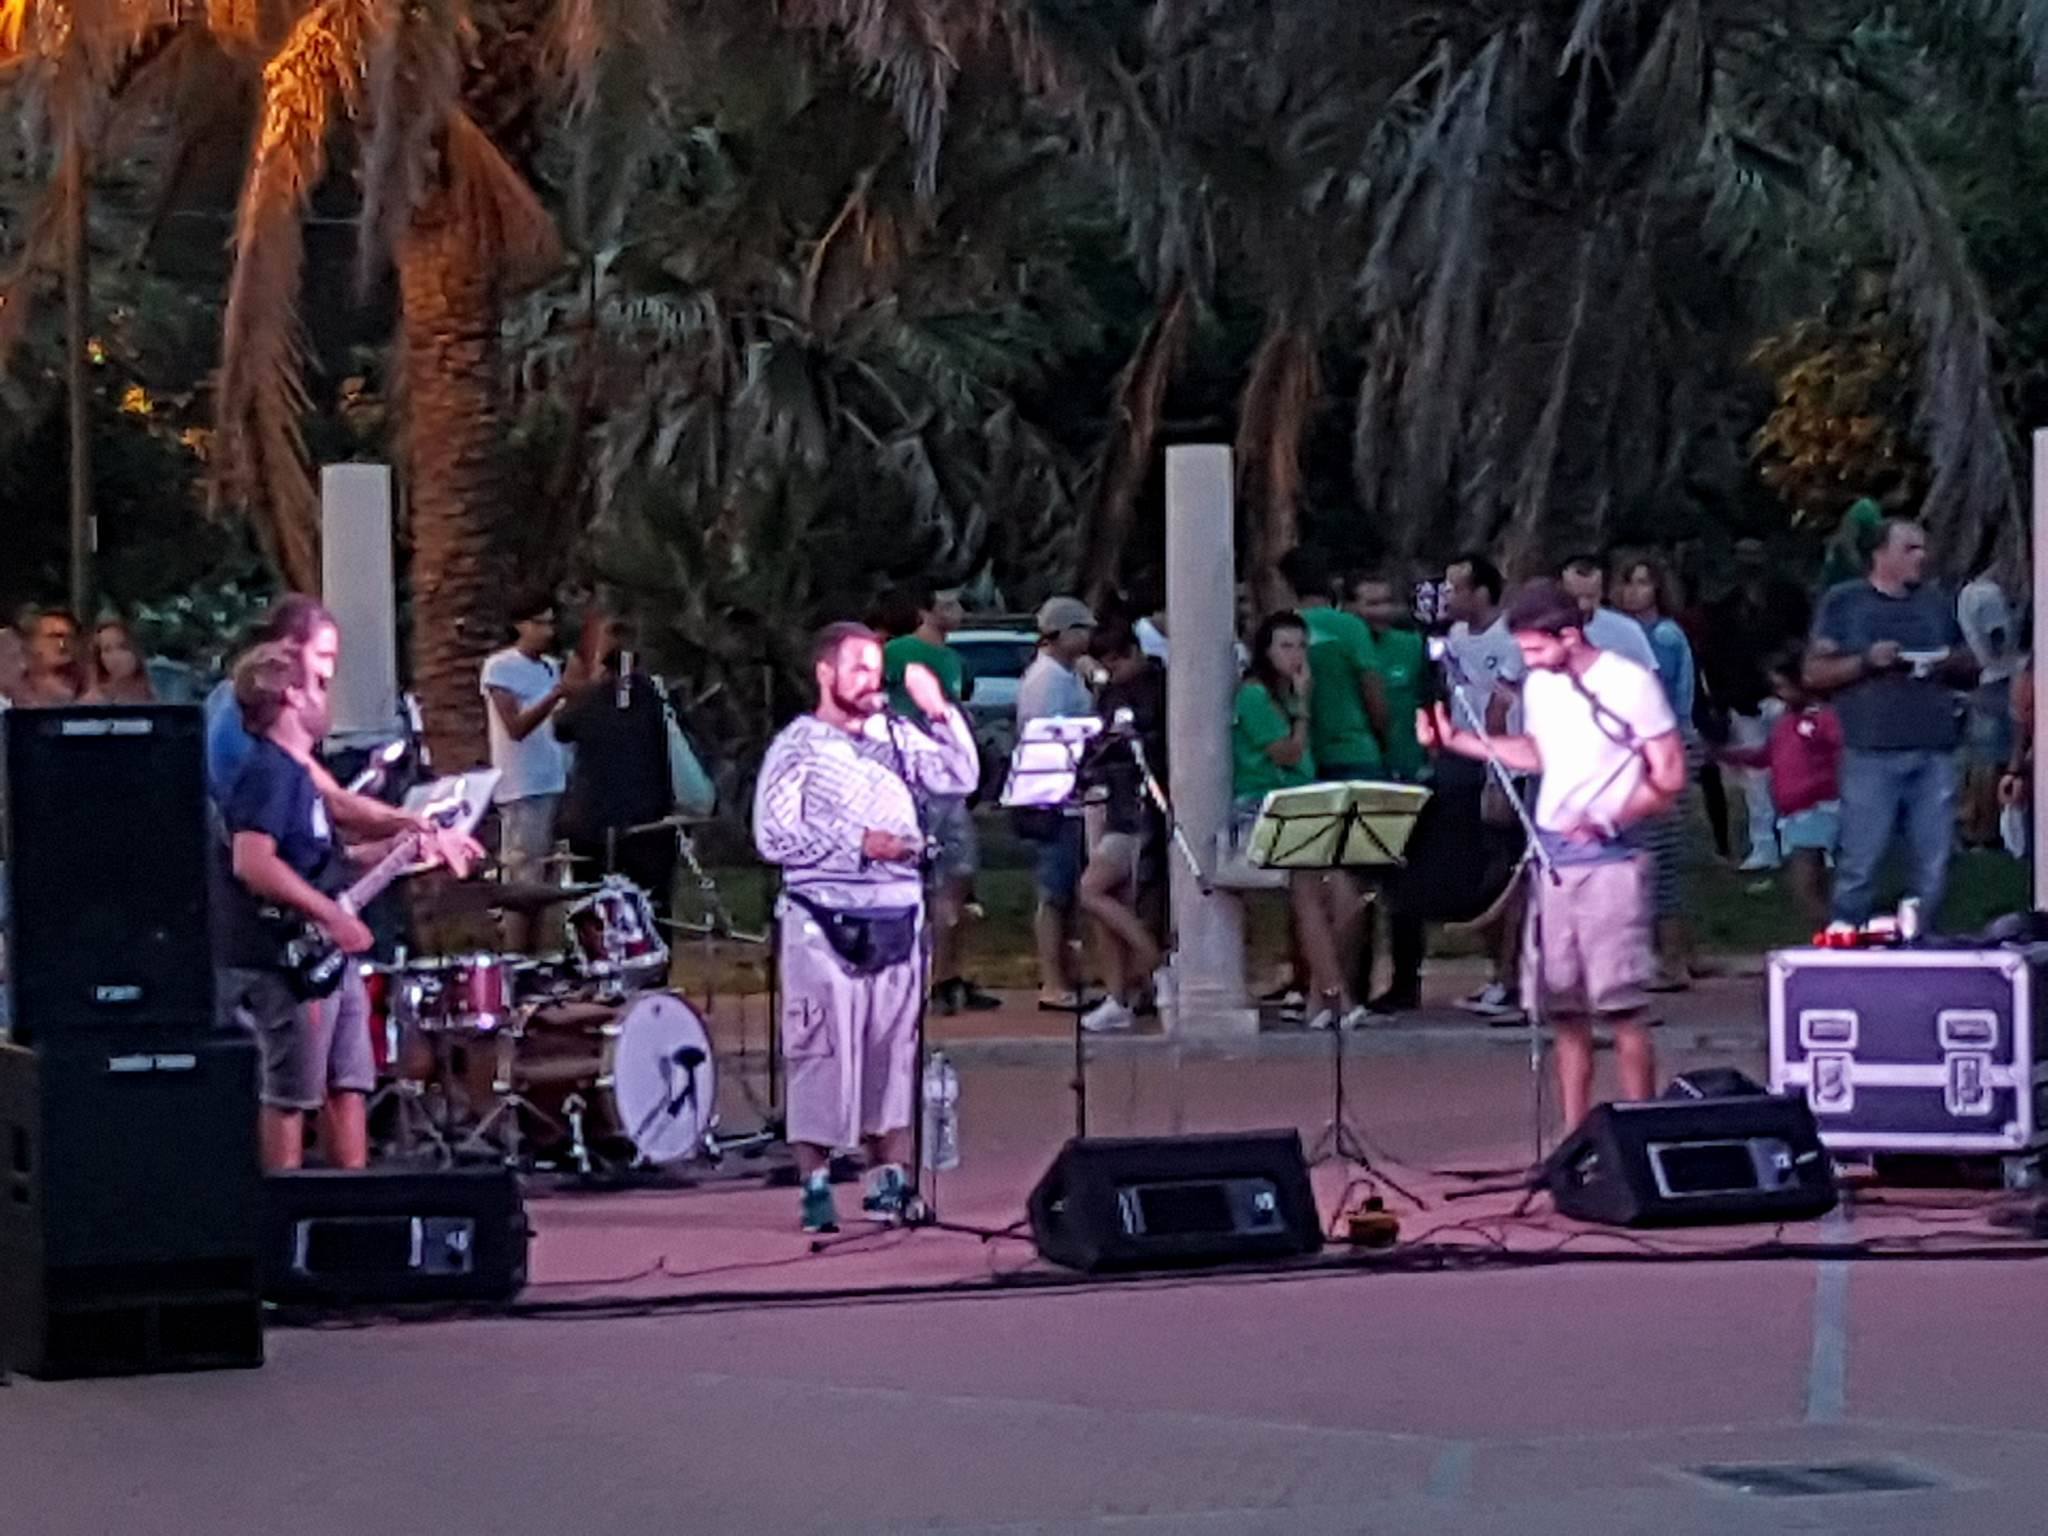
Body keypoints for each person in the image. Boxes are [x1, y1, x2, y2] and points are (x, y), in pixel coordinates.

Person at [1419, 580, 1685, 1129]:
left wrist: (1610, 816)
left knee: (1622, 1008)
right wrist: (1462, 743)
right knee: (1565, 1011)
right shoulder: (1540, 685)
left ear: (1569, 636)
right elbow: (1539, 753)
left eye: (1536, 648)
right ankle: (1573, 1136)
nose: (1529, 661)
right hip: (1553, 859)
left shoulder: (1628, 682)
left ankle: (1642, 1131)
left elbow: (1670, 774)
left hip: (1610, 862)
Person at [215, 641, 478, 1172]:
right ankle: (283, 1209)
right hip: (285, 964)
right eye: (317, 685)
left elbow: (322, 861)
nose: (326, 698)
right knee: (289, 1095)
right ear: (291, 697)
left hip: (327, 961)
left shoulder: (300, 776)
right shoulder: (269, 773)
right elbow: (253, 862)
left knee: (347, 1082)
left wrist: (396, 850)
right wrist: (332, 916)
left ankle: (350, 1200)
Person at [753, 622, 979, 1232]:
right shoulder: (797, 746)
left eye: (876, 670)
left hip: (897, 912)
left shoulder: (895, 737)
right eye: (857, 668)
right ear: (825, 672)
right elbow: (772, 836)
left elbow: (959, 778)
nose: (870, 681)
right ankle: (816, 1183)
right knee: (823, 1051)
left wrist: (938, 711)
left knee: (892, 1054)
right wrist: (858, 844)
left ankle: (888, 1181)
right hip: (823, 917)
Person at [1806, 518, 1978, 928]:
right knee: (1860, 859)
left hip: (1934, 750)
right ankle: (1846, 936)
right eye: (1910, 549)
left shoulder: (1935, 602)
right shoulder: (1845, 603)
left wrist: (1947, 662)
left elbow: (1971, 662)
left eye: (1922, 548)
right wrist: (1867, 661)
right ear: (1880, 554)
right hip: (1870, 752)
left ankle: (1920, 938)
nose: (1922, 556)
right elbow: (1814, 673)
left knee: (1934, 861)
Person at [1234, 611, 1360, 1030]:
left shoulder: (1288, 693)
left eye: (1302, 646)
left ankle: (1319, 995)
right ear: (1266, 651)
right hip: (1264, 803)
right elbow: (1286, 753)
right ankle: (1338, 998)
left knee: (1347, 897)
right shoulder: (1254, 696)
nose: (1296, 656)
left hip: (1305, 800)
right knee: (1308, 889)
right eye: (1285, 646)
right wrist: (1304, 708)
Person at [879, 582, 997, 1015]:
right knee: (922, 881)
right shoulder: (896, 653)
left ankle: (947, 975)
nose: (957, 610)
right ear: (926, 611)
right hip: (913, 781)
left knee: (958, 878)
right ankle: (918, 978)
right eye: (947, 604)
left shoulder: (953, 660)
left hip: (948, 782)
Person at [1696, 538, 1815, 874]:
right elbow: (1714, 659)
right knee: (1755, 781)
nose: (1750, 563)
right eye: (1743, 556)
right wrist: (1722, 702)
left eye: (1755, 555)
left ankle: (1798, 840)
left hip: (1787, 695)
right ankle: (1764, 845)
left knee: (1797, 773)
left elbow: (1806, 640)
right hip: (1744, 701)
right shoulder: (1726, 608)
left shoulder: (1789, 598)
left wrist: (1794, 682)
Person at [1442, 553, 1527, 1020]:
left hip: (1504, 765)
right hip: (1461, 760)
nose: (1447, 596)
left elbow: (1500, 710)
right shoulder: (1454, 638)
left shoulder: (1512, 638)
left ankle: (1515, 977)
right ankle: (1498, 973)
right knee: (1473, 875)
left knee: (1505, 873)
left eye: (1456, 587)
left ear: (1481, 592)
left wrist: (1498, 773)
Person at [1074, 625, 1167, 1033]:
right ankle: (1118, 996)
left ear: (1133, 651)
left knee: (1092, 889)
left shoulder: (1158, 689)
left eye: (1116, 662)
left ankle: (1156, 962)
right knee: (1109, 901)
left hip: (1142, 811)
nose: (1111, 672)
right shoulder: (1111, 693)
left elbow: (1146, 744)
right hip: (1114, 804)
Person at [1612, 552, 1698, 991]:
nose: (1635, 592)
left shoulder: (1662, 635)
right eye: (1628, 582)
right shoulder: (1622, 633)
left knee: (1660, 857)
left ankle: (1673, 959)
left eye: (1643, 583)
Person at [554, 615, 677, 918]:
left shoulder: (588, 701)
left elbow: (561, 728)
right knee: (651, 905)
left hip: (593, 823)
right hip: (649, 822)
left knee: (593, 902)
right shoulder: (654, 699)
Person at [1014, 595, 1098, 1012]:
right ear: (1061, 633)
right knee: (1054, 890)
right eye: (1081, 629)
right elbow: (1048, 736)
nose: (1089, 637)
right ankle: (1052, 979)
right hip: (1052, 794)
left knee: (1067, 890)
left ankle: (1068, 971)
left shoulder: (1068, 674)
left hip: (1068, 793)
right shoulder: (1047, 680)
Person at [481, 592, 578, 944]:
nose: (547, 632)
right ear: (520, 626)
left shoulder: (550, 666)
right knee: (524, 879)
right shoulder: (501, 668)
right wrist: (555, 695)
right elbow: (516, 728)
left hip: (555, 780)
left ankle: (539, 951)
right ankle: (514, 954)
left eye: (551, 624)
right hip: (523, 786)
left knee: (549, 881)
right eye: (539, 624)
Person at [1719, 653, 1842, 929]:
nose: (1778, 693)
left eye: (1783, 686)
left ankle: (1835, 933)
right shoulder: (1786, 722)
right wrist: (1730, 755)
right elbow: (1769, 755)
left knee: (1803, 883)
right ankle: (1833, 932)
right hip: (1795, 812)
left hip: (1815, 808)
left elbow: (1840, 754)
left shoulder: (1823, 719)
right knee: (1815, 883)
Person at [206, 594, 342, 804]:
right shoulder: (266, 700)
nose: (329, 672)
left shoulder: (223, 695)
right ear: (289, 648)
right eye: (322, 655)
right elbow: (335, 800)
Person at [1346, 569, 1428, 782]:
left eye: (1387, 602)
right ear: (1350, 607)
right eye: (1373, 604)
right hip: (1357, 766)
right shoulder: (1339, 648)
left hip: (1408, 766)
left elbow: (1428, 701)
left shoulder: (1412, 644)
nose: (1383, 611)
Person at [1957, 566, 2018, 847]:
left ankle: (1978, 824)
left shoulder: (1970, 593)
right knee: (1993, 759)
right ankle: (1986, 827)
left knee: (1984, 758)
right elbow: (1998, 639)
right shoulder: (1987, 594)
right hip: (2000, 680)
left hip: (1988, 680)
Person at [1557, 555, 1658, 671]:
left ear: (1602, 592)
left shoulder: (1626, 630)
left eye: (1590, 597)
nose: (1582, 606)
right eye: (1575, 597)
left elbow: (1649, 676)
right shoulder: (1546, 632)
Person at [13, 607, 84, 706]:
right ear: (31, 642)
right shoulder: (12, 694)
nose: (63, 645)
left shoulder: (88, 691)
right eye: (53, 637)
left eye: (69, 637)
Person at [83, 618, 155, 703]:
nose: (116, 656)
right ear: (100, 658)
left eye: (122, 647)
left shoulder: (157, 688)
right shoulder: (93, 700)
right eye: (107, 649)